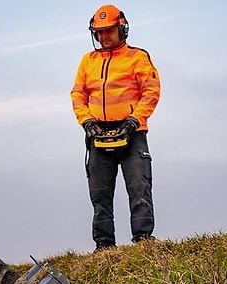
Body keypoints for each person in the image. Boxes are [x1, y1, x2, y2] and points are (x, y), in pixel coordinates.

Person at [71, 5, 161, 251]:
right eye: (99, 33)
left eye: (108, 31)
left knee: (139, 187)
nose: (103, 37)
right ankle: (104, 245)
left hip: (132, 133)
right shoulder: (88, 61)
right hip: (97, 133)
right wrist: (87, 121)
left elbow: (151, 92)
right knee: (99, 195)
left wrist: (134, 120)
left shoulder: (138, 57)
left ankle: (143, 240)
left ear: (122, 28)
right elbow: (78, 94)